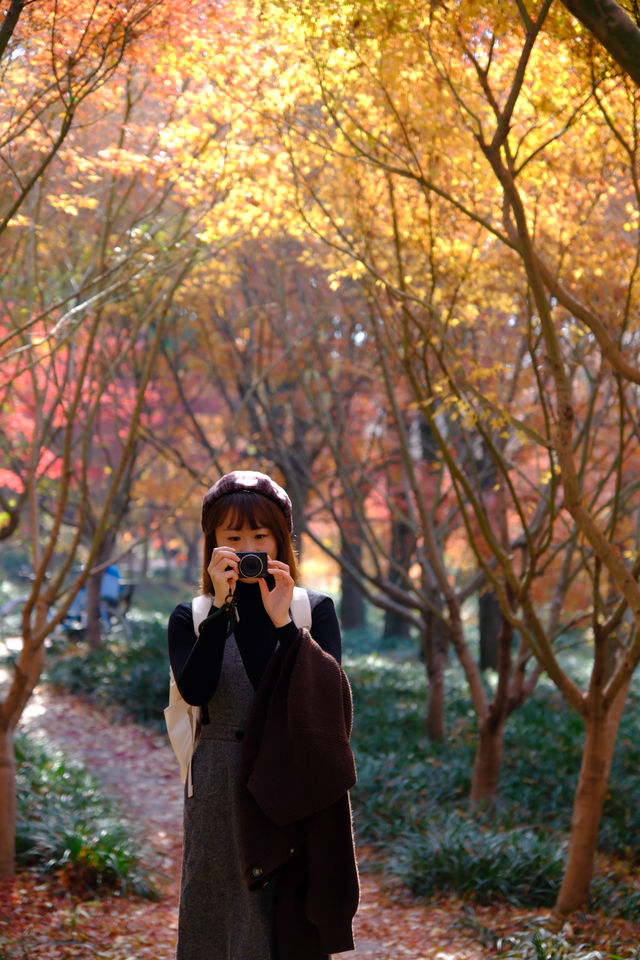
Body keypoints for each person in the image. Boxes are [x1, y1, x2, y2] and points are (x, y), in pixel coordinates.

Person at [168, 470, 359, 960]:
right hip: (219, 784)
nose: (248, 546)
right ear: (212, 544)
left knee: (285, 910)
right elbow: (195, 689)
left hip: (289, 781)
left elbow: (329, 700)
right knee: (220, 908)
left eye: (260, 535)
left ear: (281, 539)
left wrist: (284, 625)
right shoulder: (189, 616)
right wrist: (220, 607)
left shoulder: (313, 610)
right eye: (233, 537)